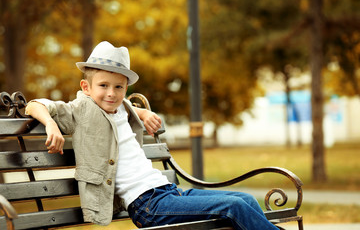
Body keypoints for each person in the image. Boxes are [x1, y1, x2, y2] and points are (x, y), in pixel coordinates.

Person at [25, 41, 278, 230]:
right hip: (147, 205)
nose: (111, 93)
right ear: (86, 87)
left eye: (118, 87)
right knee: (232, 208)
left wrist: (142, 112)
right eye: (103, 86)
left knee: (244, 199)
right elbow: (34, 105)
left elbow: (122, 107)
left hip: (169, 192)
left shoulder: (122, 108)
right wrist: (51, 124)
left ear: (126, 88)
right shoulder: (80, 110)